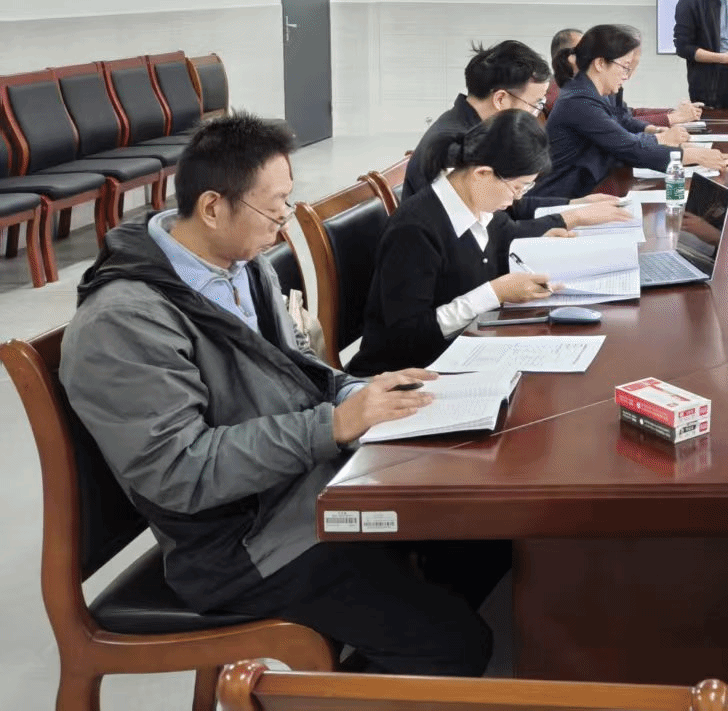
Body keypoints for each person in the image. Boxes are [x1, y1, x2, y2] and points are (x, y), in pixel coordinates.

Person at [61, 114, 499, 675]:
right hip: (239, 546)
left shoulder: (239, 266)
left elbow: (298, 372)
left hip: (301, 491)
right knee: (452, 644)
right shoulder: (123, 322)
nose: (284, 220)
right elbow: (179, 472)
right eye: (275, 207)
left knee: (481, 541)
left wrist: (366, 391)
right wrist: (334, 424)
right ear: (213, 207)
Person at [352, 112, 570, 375]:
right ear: (482, 173)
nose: (517, 199)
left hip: (463, 350)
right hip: (404, 374)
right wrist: (495, 293)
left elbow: (507, 235)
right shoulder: (414, 230)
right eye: (517, 188)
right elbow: (407, 335)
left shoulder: (480, 208)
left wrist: (548, 242)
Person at [538, 24, 728, 201]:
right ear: (600, 64)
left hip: (586, 190)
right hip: (559, 201)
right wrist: (695, 156)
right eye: (624, 67)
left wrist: (676, 147)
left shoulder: (588, 93)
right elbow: (630, 148)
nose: (627, 76)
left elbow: (622, 134)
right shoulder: (580, 101)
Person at [404, 40, 553, 197]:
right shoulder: (456, 149)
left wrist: (568, 207)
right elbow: (498, 210)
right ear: (500, 99)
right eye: (535, 104)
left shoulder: (475, 129)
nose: (535, 114)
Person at [548, 26, 702, 128]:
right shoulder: (564, 94)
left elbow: (628, 114)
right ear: (569, 57)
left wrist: (672, 112)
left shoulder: (588, 85)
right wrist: (671, 119)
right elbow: (616, 125)